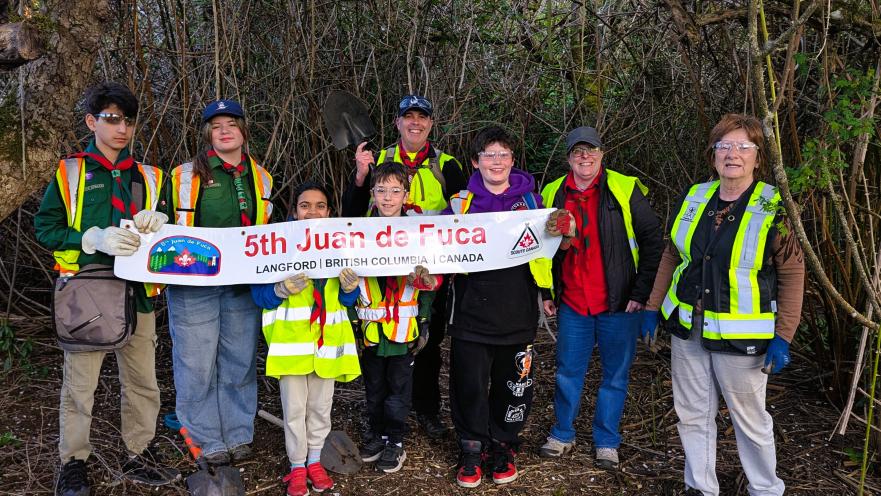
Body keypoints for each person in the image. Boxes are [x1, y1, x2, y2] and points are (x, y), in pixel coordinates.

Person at [644, 114, 805, 495]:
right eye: (724, 146)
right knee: (693, 415)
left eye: (743, 146)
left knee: (750, 419)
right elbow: (672, 254)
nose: (733, 154)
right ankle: (701, 487)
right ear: (713, 155)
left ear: (757, 157)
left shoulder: (774, 204)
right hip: (689, 329)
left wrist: (784, 335)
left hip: (743, 339)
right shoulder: (696, 196)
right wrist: (653, 306)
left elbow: (793, 273)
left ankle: (765, 488)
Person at [34, 82, 179, 495]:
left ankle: (140, 451)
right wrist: (90, 238)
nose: (122, 129)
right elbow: (45, 227)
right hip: (88, 295)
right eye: (112, 119)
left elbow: (167, 232)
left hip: (138, 294)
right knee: (81, 386)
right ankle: (73, 461)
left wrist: (161, 224)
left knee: (142, 382)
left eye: (128, 121)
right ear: (91, 121)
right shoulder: (71, 171)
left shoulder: (151, 176)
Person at [538, 126, 663, 470]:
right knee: (567, 372)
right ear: (568, 158)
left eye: (591, 150)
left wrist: (641, 294)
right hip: (574, 303)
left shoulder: (624, 188)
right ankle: (562, 433)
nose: (585, 157)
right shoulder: (552, 191)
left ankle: (606, 441)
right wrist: (547, 292)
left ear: (602, 154)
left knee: (615, 375)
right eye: (578, 151)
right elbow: (541, 250)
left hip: (620, 303)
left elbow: (653, 243)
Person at [342, 94, 466, 439]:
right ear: (397, 123)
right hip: (380, 272)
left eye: (421, 117)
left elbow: (467, 218)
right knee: (379, 346)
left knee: (426, 343)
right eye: (407, 117)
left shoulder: (448, 165)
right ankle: (381, 417)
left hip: (428, 273)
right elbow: (351, 215)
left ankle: (425, 410)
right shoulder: (378, 160)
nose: (415, 123)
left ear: (430, 123)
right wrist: (360, 175)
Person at [443, 126, 561, 488]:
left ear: (513, 160)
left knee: (514, 384)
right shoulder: (459, 203)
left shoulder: (532, 202)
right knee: (470, 384)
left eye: (504, 154)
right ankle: (471, 446)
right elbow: (436, 250)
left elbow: (546, 253)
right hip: (470, 311)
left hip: (517, 310)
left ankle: (504, 444)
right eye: (489, 155)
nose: (497, 161)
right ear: (476, 162)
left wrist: (546, 292)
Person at [166, 99, 274, 466]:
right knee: (196, 364)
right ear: (207, 133)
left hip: (241, 286)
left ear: (244, 130)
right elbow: (164, 229)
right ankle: (204, 439)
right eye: (216, 125)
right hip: (193, 285)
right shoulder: (184, 176)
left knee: (239, 361)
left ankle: (238, 432)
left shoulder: (261, 177)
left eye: (231, 123)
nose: (224, 130)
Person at [250, 181, 361, 496]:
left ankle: (315, 460)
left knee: (320, 408)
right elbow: (258, 295)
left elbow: (347, 302)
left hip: (328, 346)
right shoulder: (273, 244)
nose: (313, 211)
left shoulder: (341, 245)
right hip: (291, 347)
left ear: (329, 210)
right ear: (294, 211)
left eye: (320, 205)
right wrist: (279, 290)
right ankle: (297, 466)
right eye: (305, 205)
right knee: (295, 410)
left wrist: (351, 288)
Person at [350, 163, 442, 473]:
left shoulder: (417, 232)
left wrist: (426, 319)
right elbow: (347, 280)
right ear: (372, 194)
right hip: (371, 328)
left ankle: (395, 440)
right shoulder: (354, 231)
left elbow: (430, 281)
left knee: (399, 388)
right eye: (381, 191)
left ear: (405, 194)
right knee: (374, 387)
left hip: (405, 327)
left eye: (395, 191)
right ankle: (377, 433)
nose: (387, 198)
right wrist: (352, 321)